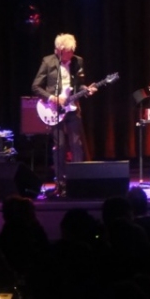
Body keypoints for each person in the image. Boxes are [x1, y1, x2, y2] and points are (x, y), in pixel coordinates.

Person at [31, 33, 97, 196]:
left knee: (77, 145)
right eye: (68, 51)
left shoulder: (78, 61)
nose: (71, 54)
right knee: (59, 146)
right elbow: (36, 87)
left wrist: (86, 90)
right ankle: (60, 183)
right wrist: (52, 98)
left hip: (72, 108)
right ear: (60, 50)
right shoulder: (48, 62)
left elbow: (80, 85)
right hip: (54, 109)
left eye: (72, 51)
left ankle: (79, 181)